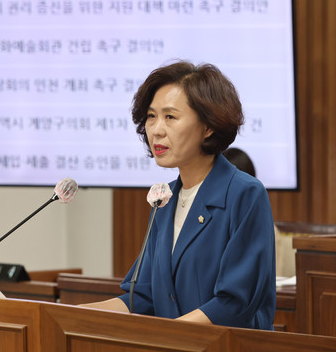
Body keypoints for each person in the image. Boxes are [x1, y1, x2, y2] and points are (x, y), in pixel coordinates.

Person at [83, 61, 276, 330]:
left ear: (208, 126)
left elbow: (234, 303)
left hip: (226, 351)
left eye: (170, 117)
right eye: (151, 116)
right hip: (175, 349)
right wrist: (71, 314)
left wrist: (170, 336)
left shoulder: (244, 194)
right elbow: (144, 297)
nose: (156, 130)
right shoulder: (165, 199)